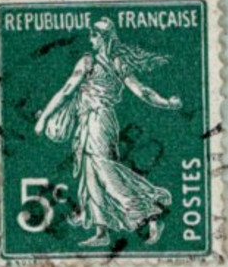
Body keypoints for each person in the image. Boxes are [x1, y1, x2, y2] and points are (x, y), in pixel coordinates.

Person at [32, 17, 183, 247]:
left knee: (105, 169)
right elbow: (140, 91)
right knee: (89, 172)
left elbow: (67, 91)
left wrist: (166, 103)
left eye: (94, 34)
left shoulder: (96, 61)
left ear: (103, 37)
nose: (90, 38)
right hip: (88, 121)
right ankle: (101, 231)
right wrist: (167, 103)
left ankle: (150, 211)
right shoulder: (109, 61)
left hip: (99, 121)